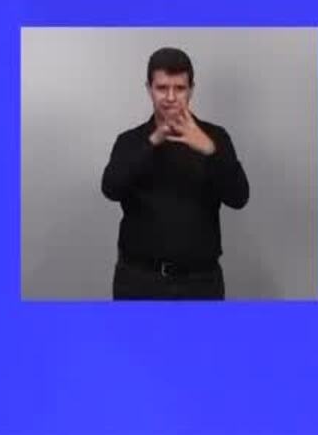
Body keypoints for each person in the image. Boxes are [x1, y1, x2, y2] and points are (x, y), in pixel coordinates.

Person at [100, 47, 250, 300]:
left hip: (201, 282)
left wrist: (210, 150)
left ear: (191, 89)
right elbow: (111, 189)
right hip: (138, 281)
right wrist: (154, 140)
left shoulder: (216, 137)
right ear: (149, 89)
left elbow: (239, 198)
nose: (170, 97)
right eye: (162, 88)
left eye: (179, 88)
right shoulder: (129, 141)